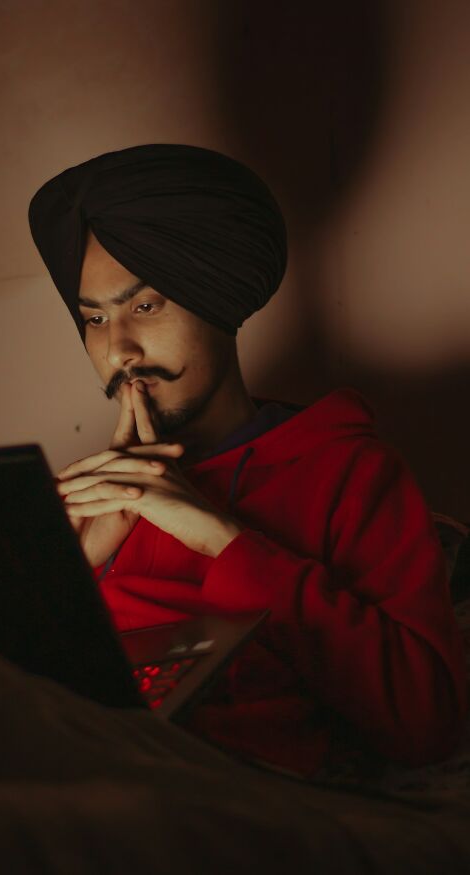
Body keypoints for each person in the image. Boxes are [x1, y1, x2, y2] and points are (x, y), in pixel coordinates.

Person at [28, 144, 467, 776]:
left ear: (215, 298)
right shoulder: (86, 505)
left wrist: (220, 538)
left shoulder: (348, 474)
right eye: (94, 318)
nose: (117, 348)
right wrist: (68, 570)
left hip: (222, 799)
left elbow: (426, 725)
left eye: (144, 306)